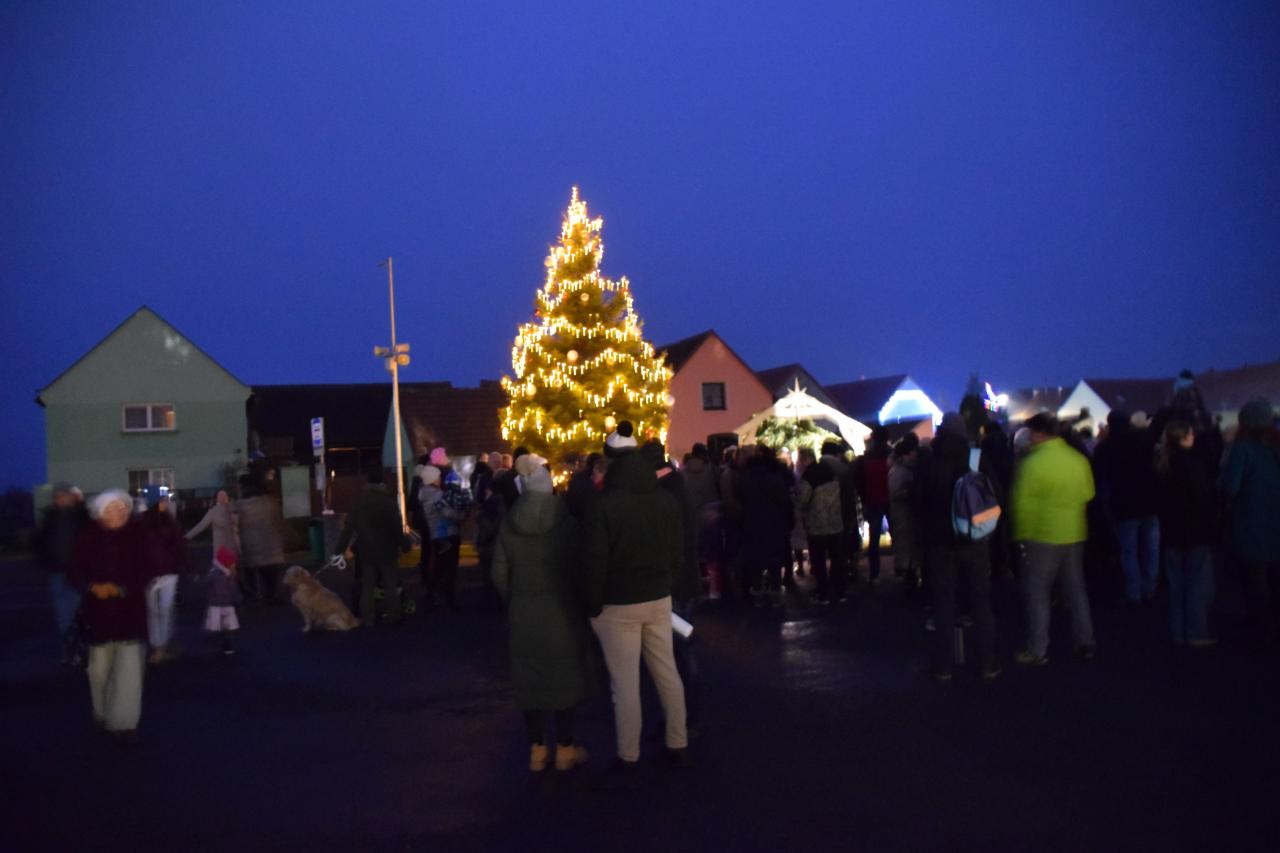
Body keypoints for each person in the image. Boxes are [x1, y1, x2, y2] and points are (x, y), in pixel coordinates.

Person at [582, 425, 688, 780]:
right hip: (658, 597)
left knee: (625, 684)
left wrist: (592, 603)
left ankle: (629, 754)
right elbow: (677, 550)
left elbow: (594, 560)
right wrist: (667, 583)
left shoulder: (603, 505)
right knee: (666, 671)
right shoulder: (664, 500)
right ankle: (678, 741)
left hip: (618, 603)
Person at [491, 454, 596, 773]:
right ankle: (565, 748)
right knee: (565, 678)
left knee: (530, 681)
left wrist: (514, 599)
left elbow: (499, 573)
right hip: (562, 610)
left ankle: (537, 749)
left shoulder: (509, 524)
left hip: (524, 612)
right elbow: (580, 569)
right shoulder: (567, 525)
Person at [70, 490, 163, 745]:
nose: (118, 513)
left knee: (130, 670)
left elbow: (152, 567)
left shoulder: (140, 536)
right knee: (99, 671)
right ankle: (102, 712)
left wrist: (124, 588)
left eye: (122, 508)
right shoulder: (87, 538)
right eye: (111, 509)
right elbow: (74, 572)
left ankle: (124, 723)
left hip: (130, 611)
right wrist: (92, 587)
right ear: (100, 513)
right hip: (97, 614)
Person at [916, 413, 999, 680]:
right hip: (973, 539)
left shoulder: (929, 459)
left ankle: (944, 666)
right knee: (980, 600)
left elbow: (919, 501)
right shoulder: (975, 458)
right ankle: (988, 663)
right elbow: (995, 494)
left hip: (939, 543)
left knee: (943, 603)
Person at [1011, 413, 1097, 665]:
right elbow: (1088, 493)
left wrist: (1021, 537)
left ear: (1039, 433)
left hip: (1041, 535)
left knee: (1038, 594)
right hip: (1074, 532)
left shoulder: (1031, 464)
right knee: (1076, 590)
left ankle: (1038, 649)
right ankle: (1086, 641)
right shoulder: (1077, 459)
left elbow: (1022, 505)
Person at [1219, 398, 1280, 647]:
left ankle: (1261, 631)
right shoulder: (1276, 447)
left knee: (1255, 581)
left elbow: (1230, 486)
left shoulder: (1242, 449)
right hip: (1275, 522)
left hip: (1250, 523)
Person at [1156, 421, 1218, 647]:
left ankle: (1177, 632)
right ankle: (1196, 632)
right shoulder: (1193, 464)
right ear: (1185, 437)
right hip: (1195, 531)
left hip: (1171, 532)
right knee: (1198, 585)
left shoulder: (1163, 464)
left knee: (1176, 586)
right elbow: (1203, 500)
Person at [1095, 410, 1161, 604]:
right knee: (1151, 548)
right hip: (1149, 502)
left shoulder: (1105, 447)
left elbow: (1100, 475)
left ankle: (1134, 592)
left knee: (1129, 551)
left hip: (1124, 505)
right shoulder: (1143, 440)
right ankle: (1150, 587)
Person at [336, 468, 406, 626]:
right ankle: (393, 615)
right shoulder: (389, 503)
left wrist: (339, 550)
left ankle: (368, 618)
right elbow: (397, 528)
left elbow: (348, 528)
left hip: (366, 550)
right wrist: (405, 544)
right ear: (382, 483)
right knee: (390, 584)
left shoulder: (359, 503)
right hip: (387, 549)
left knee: (367, 586)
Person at [32, 482, 90, 666]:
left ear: (72, 497)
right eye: (58, 496)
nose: (61, 499)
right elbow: (40, 541)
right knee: (62, 611)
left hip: (79, 571)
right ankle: (69, 649)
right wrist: (43, 559)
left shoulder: (82, 515)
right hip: (57, 571)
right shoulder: (50, 517)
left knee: (79, 609)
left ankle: (82, 647)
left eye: (64, 495)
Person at [139, 486, 186, 664]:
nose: (166, 502)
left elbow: (179, 546)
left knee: (163, 610)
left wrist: (188, 566)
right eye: (162, 500)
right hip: (152, 573)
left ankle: (161, 647)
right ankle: (158, 647)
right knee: (155, 611)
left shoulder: (168, 521)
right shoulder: (142, 523)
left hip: (166, 572)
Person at [796, 445, 847, 604]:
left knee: (819, 561)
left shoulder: (809, 476)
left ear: (804, 459)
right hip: (835, 522)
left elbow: (803, 501)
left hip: (817, 525)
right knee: (837, 559)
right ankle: (840, 592)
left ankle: (822, 593)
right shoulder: (830, 472)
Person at [236, 475, 287, 604]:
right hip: (271, 547)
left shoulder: (240, 506)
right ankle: (271, 595)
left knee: (250, 574)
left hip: (249, 547)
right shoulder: (270, 502)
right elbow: (279, 522)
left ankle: (254, 595)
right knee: (270, 575)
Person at [854, 426, 893, 584]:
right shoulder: (892, 455)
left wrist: (864, 498)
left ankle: (874, 573)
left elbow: (859, 481)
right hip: (891, 499)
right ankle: (903, 569)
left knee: (874, 538)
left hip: (872, 500)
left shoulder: (865, 458)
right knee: (898, 534)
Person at [888, 436, 921, 589]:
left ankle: (910, 573)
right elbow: (895, 494)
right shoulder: (899, 471)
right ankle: (908, 575)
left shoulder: (905, 469)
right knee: (906, 544)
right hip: (902, 514)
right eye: (914, 451)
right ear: (907, 453)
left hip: (906, 514)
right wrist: (911, 491)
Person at [204, 545, 243, 655]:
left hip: (216, 605)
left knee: (217, 625)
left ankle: (219, 643)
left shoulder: (215, 574)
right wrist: (237, 599)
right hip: (225, 605)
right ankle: (226, 645)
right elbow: (231, 590)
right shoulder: (225, 577)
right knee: (226, 626)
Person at [185, 489, 239, 557]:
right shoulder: (213, 511)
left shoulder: (234, 509)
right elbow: (201, 525)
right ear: (216, 499)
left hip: (233, 545)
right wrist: (187, 537)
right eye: (221, 495)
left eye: (225, 495)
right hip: (221, 545)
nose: (223, 497)